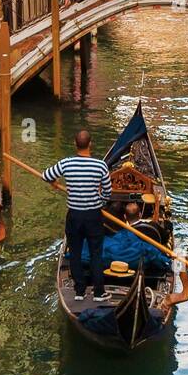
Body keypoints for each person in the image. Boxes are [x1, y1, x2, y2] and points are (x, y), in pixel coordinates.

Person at [42, 129, 112, 303]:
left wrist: (54, 183)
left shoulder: (67, 164)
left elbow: (46, 175)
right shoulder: (100, 166)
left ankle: (79, 291)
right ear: (90, 144)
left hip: (74, 216)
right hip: (93, 217)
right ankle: (98, 293)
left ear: (75, 144)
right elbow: (108, 193)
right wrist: (99, 201)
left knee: (75, 253)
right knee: (96, 254)